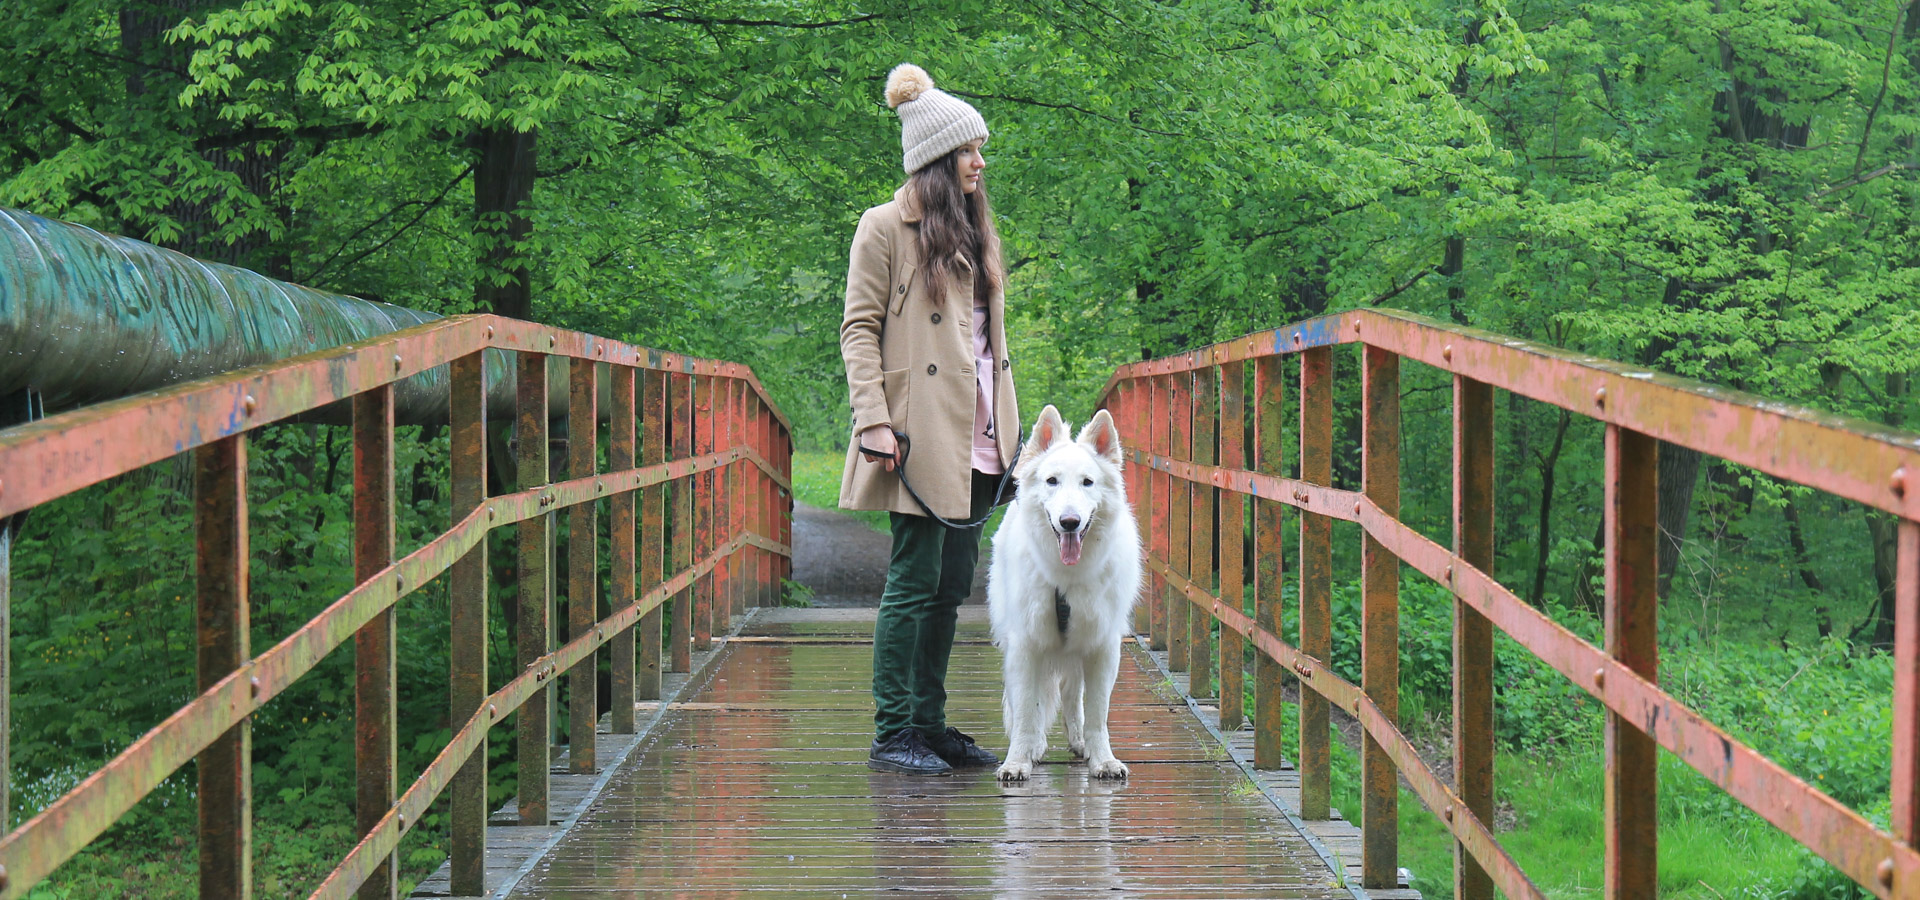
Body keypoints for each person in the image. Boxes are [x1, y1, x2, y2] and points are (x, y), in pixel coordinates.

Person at [839, 62, 1020, 775]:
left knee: (952, 586)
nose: (981, 161)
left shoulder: (977, 230)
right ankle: (893, 732)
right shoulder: (884, 227)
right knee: (913, 580)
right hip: (916, 435)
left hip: (980, 434)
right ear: (940, 160)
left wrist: (1012, 439)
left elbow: (988, 347)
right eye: (971, 150)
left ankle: (930, 723)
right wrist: (873, 421)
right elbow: (857, 329)